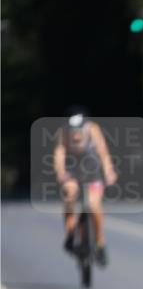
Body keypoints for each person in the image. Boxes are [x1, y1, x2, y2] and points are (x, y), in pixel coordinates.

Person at [54, 109, 117, 266]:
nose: (76, 135)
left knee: (94, 205)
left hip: (92, 172)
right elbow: (59, 153)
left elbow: (103, 151)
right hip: (72, 171)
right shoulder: (63, 132)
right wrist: (60, 172)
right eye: (72, 131)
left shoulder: (93, 129)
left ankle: (100, 243)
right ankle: (70, 235)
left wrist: (109, 171)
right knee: (69, 196)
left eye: (78, 131)